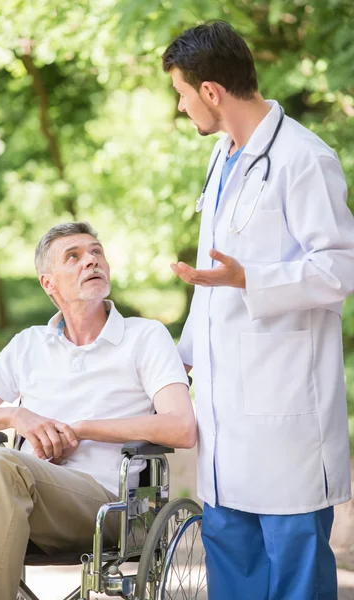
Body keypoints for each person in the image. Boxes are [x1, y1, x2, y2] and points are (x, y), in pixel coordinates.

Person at [162, 20, 354, 600]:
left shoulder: (303, 158)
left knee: (293, 576)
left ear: (212, 91)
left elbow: (340, 267)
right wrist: (181, 362)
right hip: (228, 426)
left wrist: (254, 279)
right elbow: (209, 284)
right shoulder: (224, 156)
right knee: (233, 571)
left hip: (287, 418)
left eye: (181, 92)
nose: (180, 105)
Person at [0, 221, 196, 600]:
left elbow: (181, 426)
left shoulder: (144, 336)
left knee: (0, 463)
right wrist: (15, 417)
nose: (91, 261)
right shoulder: (28, 344)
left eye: (96, 252)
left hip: (108, 505)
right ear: (48, 283)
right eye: (74, 257)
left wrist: (83, 429)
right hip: (15, 493)